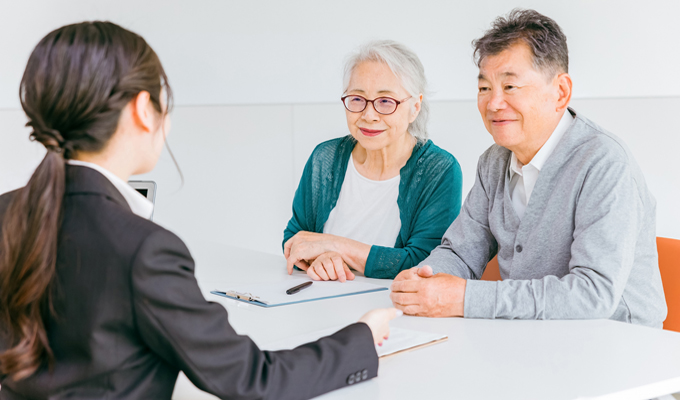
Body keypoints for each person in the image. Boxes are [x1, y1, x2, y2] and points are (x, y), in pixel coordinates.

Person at [0, 22, 399, 400]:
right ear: (143, 109)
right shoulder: (145, 250)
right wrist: (361, 337)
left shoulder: (7, 213)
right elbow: (253, 381)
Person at [390, 9, 667, 327]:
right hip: (531, 338)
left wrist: (466, 298)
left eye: (510, 87)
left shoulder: (604, 163)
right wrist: (425, 280)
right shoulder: (494, 161)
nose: (493, 103)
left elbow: (593, 294)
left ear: (560, 92)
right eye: (484, 88)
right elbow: (461, 251)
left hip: (617, 346)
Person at [283, 40, 463, 282]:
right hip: (317, 302)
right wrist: (321, 259)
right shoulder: (325, 158)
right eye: (357, 99)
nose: (369, 115)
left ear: (415, 107)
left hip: (392, 310)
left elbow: (425, 264)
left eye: (386, 101)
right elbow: (295, 238)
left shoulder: (438, 170)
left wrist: (335, 246)